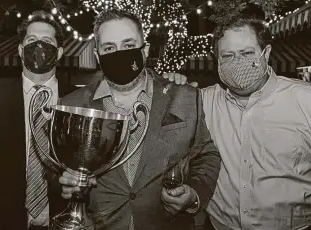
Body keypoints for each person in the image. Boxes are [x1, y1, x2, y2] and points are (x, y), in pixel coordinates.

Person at [164, 13, 311, 230]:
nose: (238, 62)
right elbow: (168, 144)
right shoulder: (202, 102)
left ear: (266, 53)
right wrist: (168, 90)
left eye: (247, 53)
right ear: (217, 61)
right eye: (228, 56)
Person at [58, 9, 221, 230]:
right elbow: (55, 166)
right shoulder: (72, 105)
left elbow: (206, 156)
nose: (120, 54)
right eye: (109, 48)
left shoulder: (185, 97)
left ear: (144, 50)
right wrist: (64, 179)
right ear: (97, 56)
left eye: (128, 45)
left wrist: (193, 195)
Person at [0, 10, 77, 230]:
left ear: (60, 52)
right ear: (20, 50)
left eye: (47, 41)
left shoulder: (77, 101)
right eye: (32, 40)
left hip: (64, 221)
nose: (39, 47)